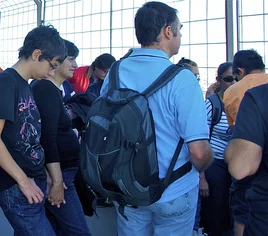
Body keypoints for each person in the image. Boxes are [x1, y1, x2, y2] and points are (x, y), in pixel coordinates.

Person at [99, 2, 213, 235]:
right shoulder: (182, 80)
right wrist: (205, 166)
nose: (180, 35)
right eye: (179, 29)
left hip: (128, 186)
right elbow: (199, 153)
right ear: (168, 31)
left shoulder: (116, 72)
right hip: (174, 189)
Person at [0, 25, 66, 235]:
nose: (51, 71)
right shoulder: (5, 83)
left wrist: (42, 173)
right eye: (52, 64)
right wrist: (23, 181)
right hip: (16, 185)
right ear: (37, 54)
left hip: (30, 180)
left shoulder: (24, 85)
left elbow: (29, 136)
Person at [31, 39, 91, 235]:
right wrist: (55, 180)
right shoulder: (46, 89)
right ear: (56, 61)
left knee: (55, 227)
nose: (75, 65)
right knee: (78, 231)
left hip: (62, 173)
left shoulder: (54, 90)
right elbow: (46, 138)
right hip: (60, 176)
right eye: (71, 59)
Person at [222, 49, 268, 236]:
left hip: (255, 173)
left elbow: (240, 165)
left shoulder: (239, 92)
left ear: (240, 71)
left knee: (242, 208)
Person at [196, 62, 235, 236]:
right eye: (228, 79)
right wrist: (202, 177)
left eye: (236, 78)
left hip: (235, 166)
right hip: (214, 166)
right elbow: (199, 139)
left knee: (231, 210)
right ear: (218, 80)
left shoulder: (243, 102)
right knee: (215, 211)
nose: (233, 83)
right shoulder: (212, 105)